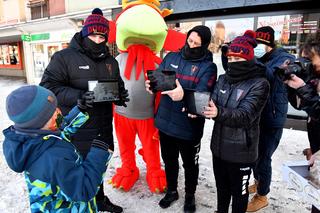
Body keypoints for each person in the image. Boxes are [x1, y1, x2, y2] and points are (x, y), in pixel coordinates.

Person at [39, 8, 127, 213]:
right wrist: (78, 96)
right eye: (94, 35)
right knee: (76, 172)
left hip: (103, 127)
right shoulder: (63, 57)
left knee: (98, 167)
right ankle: (78, 206)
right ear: (85, 33)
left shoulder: (110, 61)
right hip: (76, 128)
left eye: (102, 36)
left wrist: (121, 96)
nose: (98, 40)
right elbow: (47, 87)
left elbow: (117, 86)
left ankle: (99, 198)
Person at [3, 85, 113, 212]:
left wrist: (80, 110)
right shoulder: (53, 158)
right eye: (52, 112)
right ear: (39, 121)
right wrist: (98, 153)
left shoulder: (33, 139)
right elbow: (83, 189)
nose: (58, 111)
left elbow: (61, 131)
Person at [146, 25, 217, 213]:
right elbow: (161, 78)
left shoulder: (208, 67)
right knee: (169, 161)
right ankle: (171, 191)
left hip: (188, 127)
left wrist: (183, 94)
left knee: (190, 164)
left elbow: (203, 95)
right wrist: (152, 85)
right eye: (189, 40)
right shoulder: (171, 57)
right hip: (165, 121)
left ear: (204, 46)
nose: (191, 45)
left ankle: (190, 195)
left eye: (196, 43)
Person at [202, 30, 269, 213]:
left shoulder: (260, 84)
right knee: (222, 190)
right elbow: (212, 101)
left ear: (248, 60)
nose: (232, 64)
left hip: (242, 153)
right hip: (218, 148)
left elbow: (246, 115)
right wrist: (198, 109)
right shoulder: (223, 79)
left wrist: (217, 112)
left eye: (237, 60)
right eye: (230, 59)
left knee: (239, 195)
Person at [247, 26, 295, 212]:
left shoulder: (285, 58)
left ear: (269, 43)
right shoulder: (260, 58)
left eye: (260, 44)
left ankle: (262, 196)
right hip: (257, 116)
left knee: (263, 158)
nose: (257, 47)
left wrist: (252, 60)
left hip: (273, 118)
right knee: (254, 156)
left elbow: (270, 75)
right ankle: (258, 182)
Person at [285, 31, 320, 213]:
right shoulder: (314, 79)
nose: (309, 65)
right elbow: (302, 107)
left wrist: (303, 88)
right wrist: (292, 88)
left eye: (311, 59)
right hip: (317, 151)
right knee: (316, 199)